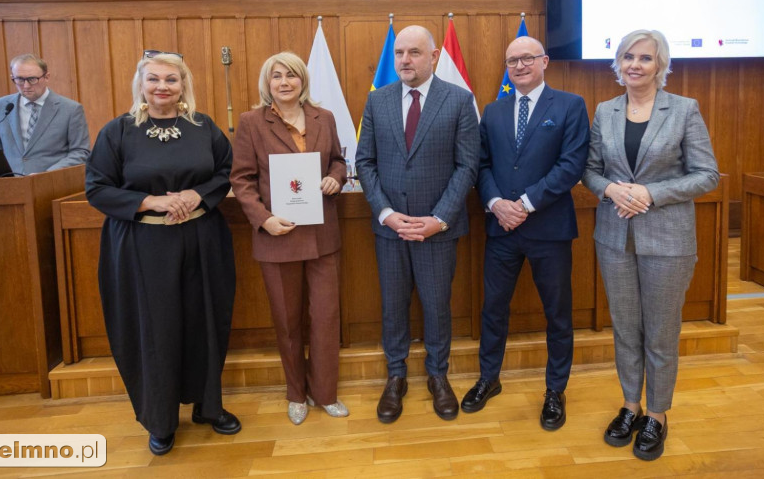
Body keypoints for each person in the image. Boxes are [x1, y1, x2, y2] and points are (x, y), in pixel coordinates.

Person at [85, 52, 240, 456]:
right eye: (153, 79)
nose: (162, 87)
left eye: (171, 80)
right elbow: (97, 188)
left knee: (206, 323)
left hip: (202, 241)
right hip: (143, 249)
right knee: (156, 332)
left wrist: (195, 194)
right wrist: (151, 201)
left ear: (183, 84)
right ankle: (160, 419)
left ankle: (209, 407)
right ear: (140, 84)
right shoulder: (118, 132)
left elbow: (225, 173)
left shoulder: (204, 127)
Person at [581, 29, 719, 461]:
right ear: (617, 64)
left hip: (668, 239)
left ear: (661, 66)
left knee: (660, 332)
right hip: (614, 237)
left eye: (645, 58)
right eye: (627, 57)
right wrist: (610, 190)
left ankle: (657, 414)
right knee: (625, 328)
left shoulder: (683, 110)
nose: (634, 65)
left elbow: (707, 174)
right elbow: (589, 170)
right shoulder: (605, 111)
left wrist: (650, 193)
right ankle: (630, 406)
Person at [462, 35, 589, 431]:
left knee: (558, 314)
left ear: (544, 61)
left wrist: (525, 204)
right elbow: (481, 166)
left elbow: (571, 165)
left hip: (549, 230)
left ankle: (555, 391)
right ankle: (489, 378)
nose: (519, 66)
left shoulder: (570, 105)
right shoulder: (493, 110)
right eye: (512, 60)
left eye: (527, 59)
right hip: (501, 229)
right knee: (493, 309)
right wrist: (497, 203)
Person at [355, 25, 479, 423]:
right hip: (390, 229)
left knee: (437, 306)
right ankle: (395, 377)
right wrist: (387, 214)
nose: (405, 60)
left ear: (434, 55)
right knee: (392, 307)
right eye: (399, 54)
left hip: (436, 230)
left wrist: (439, 219)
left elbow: (467, 166)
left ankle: (438, 376)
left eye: (414, 53)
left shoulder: (459, 101)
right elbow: (365, 162)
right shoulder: (378, 101)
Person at [230, 52, 349, 425]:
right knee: (287, 320)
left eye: (291, 76)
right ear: (267, 83)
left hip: (322, 233)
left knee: (326, 318)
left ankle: (325, 393)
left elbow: (338, 160)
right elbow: (242, 180)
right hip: (277, 235)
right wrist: (263, 220)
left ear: (302, 81)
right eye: (276, 76)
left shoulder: (324, 117)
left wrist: (336, 177)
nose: (284, 82)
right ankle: (296, 394)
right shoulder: (251, 122)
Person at [0, 53, 90, 174]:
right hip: (11, 184)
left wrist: (47, 175)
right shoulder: (0, 106)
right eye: (19, 79)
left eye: (32, 79)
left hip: (51, 184)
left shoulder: (70, 109)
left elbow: (80, 152)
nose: (26, 86)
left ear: (47, 77)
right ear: (12, 77)